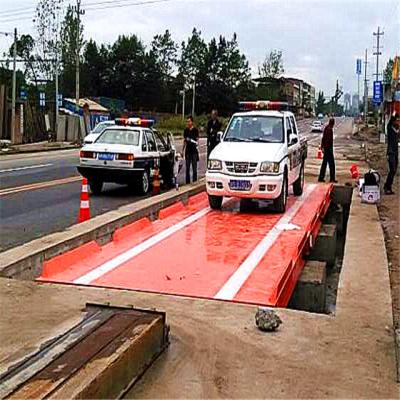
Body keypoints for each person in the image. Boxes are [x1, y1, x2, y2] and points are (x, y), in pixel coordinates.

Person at [384, 113, 400, 195]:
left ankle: (388, 187)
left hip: (396, 152)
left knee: (394, 171)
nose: (398, 122)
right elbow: (390, 122)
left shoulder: (397, 130)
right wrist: (394, 113)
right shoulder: (390, 129)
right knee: (392, 169)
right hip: (391, 152)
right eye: (397, 120)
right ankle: (387, 187)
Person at [318, 118, 337, 183]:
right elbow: (328, 141)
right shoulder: (329, 129)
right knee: (332, 165)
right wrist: (325, 148)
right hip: (328, 149)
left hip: (326, 149)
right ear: (333, 123)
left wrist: (322, 147)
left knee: (324, 164)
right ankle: (332, 178)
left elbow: (323, 138)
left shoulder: (326, 128)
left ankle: (321, 177)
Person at [183, 116, 199, 184]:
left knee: (194, 168)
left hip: (194, 151)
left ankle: (195, 181)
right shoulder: (186, 130)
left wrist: (197, 143)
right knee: (187, 168)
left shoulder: (195, 130)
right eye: (187, 121)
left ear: (192, 122)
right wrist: (182, 150)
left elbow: (197, 139)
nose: (188, 123)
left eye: (189, 121)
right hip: (188, 151)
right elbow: (184, 141)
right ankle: (187, 182)